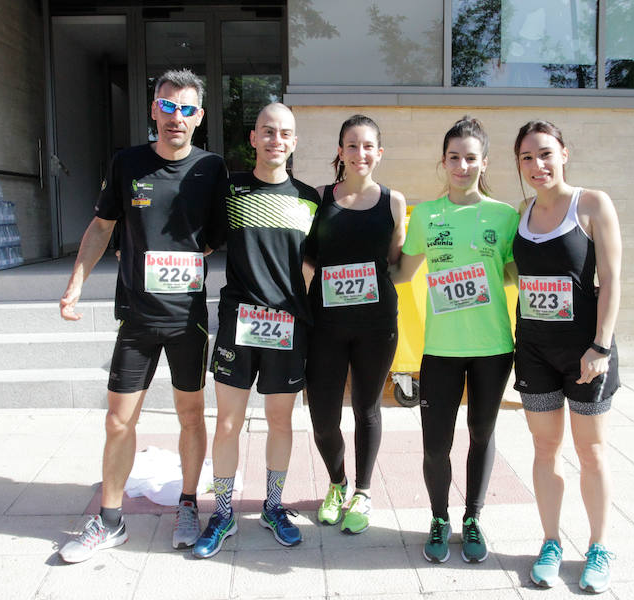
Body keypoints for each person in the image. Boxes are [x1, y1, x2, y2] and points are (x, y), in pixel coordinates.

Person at [58, 69, 229, 563]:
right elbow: (101, 227)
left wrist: (177, 260)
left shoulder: (211, 168)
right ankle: (110, 521)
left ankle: (188, 505)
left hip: (188, 320)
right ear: (154, 109)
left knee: (191, 416)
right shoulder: (127, 163)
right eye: (168, 106)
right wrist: (75, 284)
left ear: (199, 116)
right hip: (136, 317)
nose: (177, 116)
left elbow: (217, 236)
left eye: (187, 108)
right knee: (118, 421)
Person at [192, 103, 320, 558]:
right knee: (227, 422)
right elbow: (200, 239)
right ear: (253, 138)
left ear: (294, 142)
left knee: (280, 421)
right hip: (238, 322)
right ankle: (223, 512)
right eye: (267, 131)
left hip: (288, 325)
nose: (275, 140)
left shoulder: (309, 198)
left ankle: (272, 506)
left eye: (284, 133)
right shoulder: (231, 191)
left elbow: (314, 264)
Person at [392, 116, 520, 564]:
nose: (462, 166)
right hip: (441, 350)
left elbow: (515, 273)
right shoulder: (427, 215)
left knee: (481, 434)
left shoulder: (505, 216)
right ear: (443, 162)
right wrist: (350, 268)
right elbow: (402, 272)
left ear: (484, 162)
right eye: (454, 158)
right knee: (435, 444)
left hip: (493, 348)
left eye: (470, 158)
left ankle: (473, 518)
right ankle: (439, 518)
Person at [511, 120, 622, 593]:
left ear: (564, 154)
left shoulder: (592, 204)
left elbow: (612, 280)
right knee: (544, 448)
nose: (537, 165)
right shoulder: (523, 211)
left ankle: (599, 547)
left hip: (585, 352)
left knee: (590, 451)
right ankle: (551, 542)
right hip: (534, 350)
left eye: (545, 154)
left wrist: (601, 346)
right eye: (527, 157)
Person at [304, 115, 406, 534]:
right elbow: (307, 256)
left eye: (368, 146)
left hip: (376, 325)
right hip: (325, 324)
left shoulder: (393, 202)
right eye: (352, 145)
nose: (360, 153)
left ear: (379, 153)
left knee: (367, 409)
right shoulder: (319, 198)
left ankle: (363, 491)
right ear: (340, 151)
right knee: (323, 417)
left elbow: (395, 260)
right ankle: (337, 482)